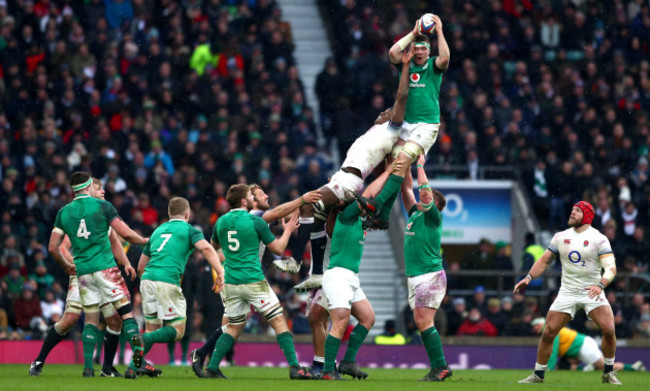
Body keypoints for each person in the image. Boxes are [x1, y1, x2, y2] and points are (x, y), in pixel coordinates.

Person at [274, 46, 415, 292]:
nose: (384, 112)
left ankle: (296, 260)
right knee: (315, 216)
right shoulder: (375, 133)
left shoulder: (391, 130)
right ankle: (317, 273)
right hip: (343, 176)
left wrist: (404, 67)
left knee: (308, 204)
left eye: (388, 112)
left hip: (349, 181)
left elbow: (401, 97)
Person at [188, 185, 321, 377]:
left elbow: (214, 248)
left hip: (231, 282)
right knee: (277, 320)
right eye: (256, 194)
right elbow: (278, 246)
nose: (263, 196)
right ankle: (294, 367)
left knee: (233, 326)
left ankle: (209, 364)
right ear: (246, 201)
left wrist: (221, 269)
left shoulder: (221, 221)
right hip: (252, 280)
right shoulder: (256, 218)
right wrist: (291, 224)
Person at [31, 178, 137, 377]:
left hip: (99, 272)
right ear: (89, 190)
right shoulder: (82, 219)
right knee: (70, 319)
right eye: (99, 188)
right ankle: (39, 360)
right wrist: (73, 266)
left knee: (114, 320)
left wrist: (126, 263)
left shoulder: (101, 215)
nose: (103, 191)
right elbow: (61, 247)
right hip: (84, 272)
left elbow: (115, 242)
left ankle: (106, 368)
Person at [515, 201, 623, 384]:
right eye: (572, 209)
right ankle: (538, 375)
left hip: (592, 290)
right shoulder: (560, 236)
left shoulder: (599, 239)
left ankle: (608, 372)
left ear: (587, 216)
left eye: (578, 211)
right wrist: (529, 277)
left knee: (609, 329)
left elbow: (611, 268)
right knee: (548, 332)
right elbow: (544, 260)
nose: (572, 213)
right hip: (567, 291)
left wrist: (601, 285)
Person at [320, 161, 406, 381]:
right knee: (340, 322)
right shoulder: (345, 216)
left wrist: (397, 175)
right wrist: (389, 171)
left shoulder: (356, 220)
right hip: (338, 275)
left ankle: (348, 362)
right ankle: (328, 370)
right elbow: (370, 195)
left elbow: (380, 200)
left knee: (367, 318)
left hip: (350, 277)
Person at [128, 197, 224, 379]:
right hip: (167, 280)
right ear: (187, 214)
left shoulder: (157, 231)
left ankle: (133, 367)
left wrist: (149, 282)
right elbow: (207, 249)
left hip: (147, 280)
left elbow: (141, 266)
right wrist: (220, 272)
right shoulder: (189, 229)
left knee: (152, 328)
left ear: (169, 214)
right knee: (178, 330)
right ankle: (144, 340)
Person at [399, 155, 451, 381]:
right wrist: (404, 164)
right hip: (416, 276)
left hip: (429, 276)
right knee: (421, 323)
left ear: (434, 205)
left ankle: (440, 368)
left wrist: (420, 164)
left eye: (427, 198)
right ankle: (439, 367)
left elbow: (423, 192)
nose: (421, 199)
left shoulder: (433, 218)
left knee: (423, 321)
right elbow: (407, 189)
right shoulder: (416, 215)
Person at [388, 15, 450, 173]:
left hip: (427, 124)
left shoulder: (432, 66)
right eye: (416, 48)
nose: (420, 52)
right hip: (406, 124)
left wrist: (440, 31)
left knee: (403, 157)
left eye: (423, 49)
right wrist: (413, 34)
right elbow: (393, 53)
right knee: (394, 163)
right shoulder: (406, 65)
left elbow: (445, 58)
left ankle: (381, 199)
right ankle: (406, 197)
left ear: (429, 51)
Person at [529, 318, 645, 372]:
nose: (535, 329)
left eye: (536, 326)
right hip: (574, 350)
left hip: (583, 346)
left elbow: (552, 351)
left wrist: (548, 368)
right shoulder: (551, 329)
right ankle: (586, 369)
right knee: (563, 366)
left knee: (604, 367)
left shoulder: (552, 330)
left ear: (542, 324)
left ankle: (633, 367)